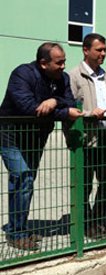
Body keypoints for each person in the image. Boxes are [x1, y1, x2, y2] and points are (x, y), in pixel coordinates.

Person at [0, 42, 83, 250]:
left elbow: (70, 102)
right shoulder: (22, 75)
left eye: (64, 61)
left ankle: (18, 227)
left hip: (36, 137)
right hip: (10, 134)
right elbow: (30, 108)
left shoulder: (62, 79)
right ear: (43, 63)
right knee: (23, 177)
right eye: (59, 62)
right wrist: (63, 111)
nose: (64, 66)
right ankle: (17, 233)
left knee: (25, 181)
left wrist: (54, 101)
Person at [68, 33, 106, 239]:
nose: (103, 53)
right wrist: (87, 115)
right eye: (99, 49)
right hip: (87, 138)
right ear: (85, 50)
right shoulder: (74, 76)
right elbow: (68, 108)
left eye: (105, 50)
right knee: (85, 184)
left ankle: (99, 218)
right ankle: (86, 224)